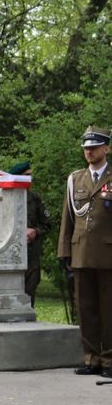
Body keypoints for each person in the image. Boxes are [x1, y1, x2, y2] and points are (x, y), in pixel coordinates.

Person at [58, 126, 112, 378]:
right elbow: (67, 220)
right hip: (80, 254)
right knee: (86, 309)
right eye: (86, 148)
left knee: (109, 310)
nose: (89, 152)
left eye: (94, 147)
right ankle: (91, 358)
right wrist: (64, 252)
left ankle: (109, 360)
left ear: (106, 148)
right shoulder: (75, 179)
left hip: (108, 255)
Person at [10, 161, 50, 307]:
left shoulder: (35, 199)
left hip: (31, 257)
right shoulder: (5, 198)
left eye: (30, 175)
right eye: (26, 176)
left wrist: (35, 231)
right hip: (10, 256)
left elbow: (47, 224)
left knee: (29, 296)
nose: (30, 179)